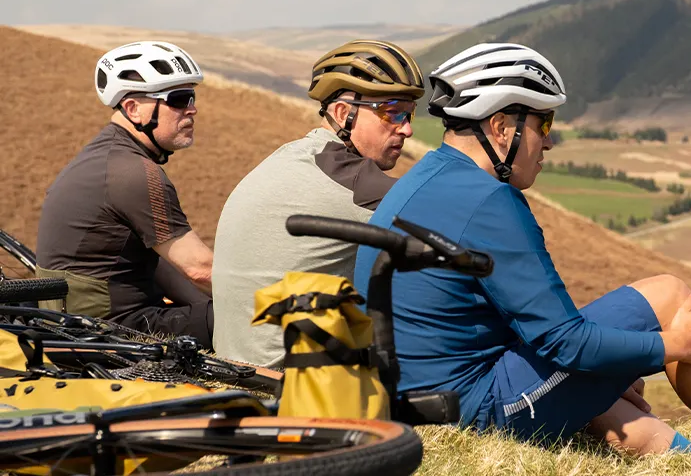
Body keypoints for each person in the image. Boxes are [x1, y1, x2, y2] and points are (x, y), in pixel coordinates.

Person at [354, 43, 691, 454]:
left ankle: (689, 461)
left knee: (620, 407)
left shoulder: (426, 177)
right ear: (502, 128)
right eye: (544, 124)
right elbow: (566, 343)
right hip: (474, 407)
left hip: (420, 402)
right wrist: (677, 345)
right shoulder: (489, 200)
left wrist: (614, 364)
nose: (549, 142)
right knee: (670, 296)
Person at [210, 40, 425, 368]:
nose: (407, 129)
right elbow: (451, 220)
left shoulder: (292, 157)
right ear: (342, 113)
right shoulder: (351, 179)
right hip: (291, 381)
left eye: (409, 114)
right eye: (392, 111)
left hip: (238, 362)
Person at [36, 41, 215, 347]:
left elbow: (155, 264)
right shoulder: (134, 172)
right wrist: (273, 300)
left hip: (77, 325)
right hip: (114, 332)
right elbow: (201, 269)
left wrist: (205, 308)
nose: (192, 108)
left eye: (192, 96)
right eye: (179, 99)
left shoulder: (105, 155)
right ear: (134, 109)